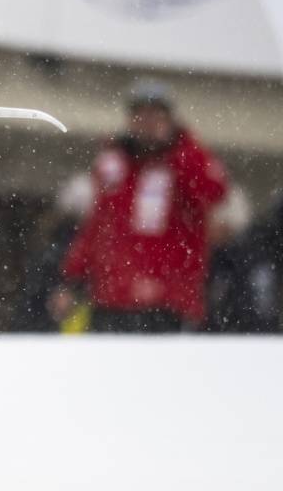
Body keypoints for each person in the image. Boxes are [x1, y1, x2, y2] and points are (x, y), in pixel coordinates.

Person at [61, 81, 228, 332]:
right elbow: (97, 227)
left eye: (155, 116)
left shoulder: (186, 160)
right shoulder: (118, 165)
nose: (147, 125)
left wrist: (178, 148)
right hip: (112, 298)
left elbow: (215, 191)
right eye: (140, 116)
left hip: (168, 302)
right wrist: (72, 280)